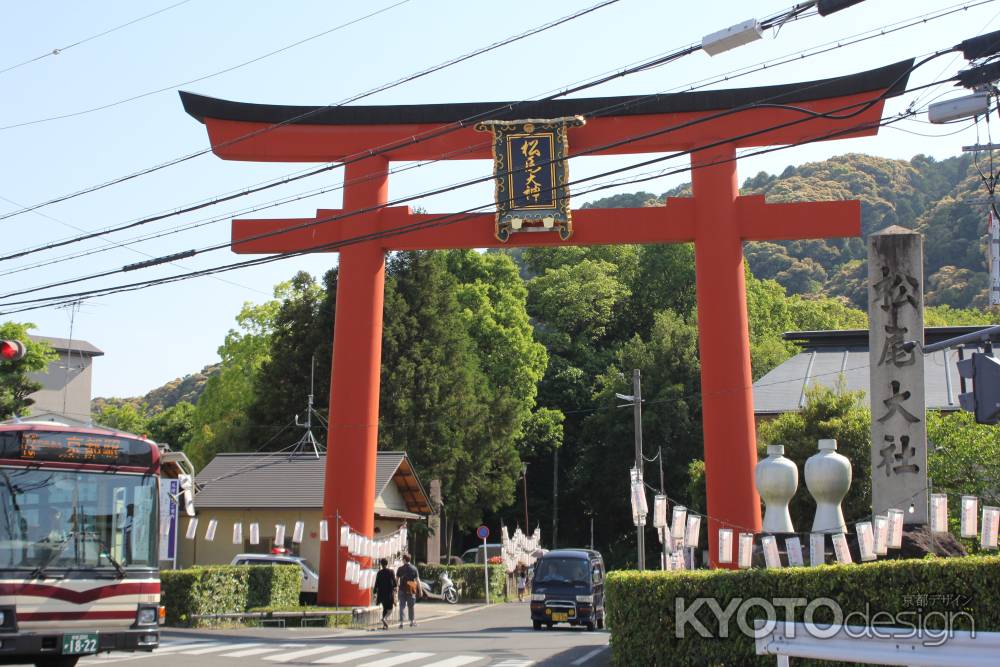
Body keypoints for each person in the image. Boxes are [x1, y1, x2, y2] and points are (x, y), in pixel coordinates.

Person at [395, 554, 421, 628]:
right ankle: (412, 621)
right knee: (411, 606)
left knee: (402, 606)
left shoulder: (400, 569)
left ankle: (401, 623)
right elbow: (417, 580)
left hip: (402, 589)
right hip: (411, 589)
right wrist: (420, 590)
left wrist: (396, 589)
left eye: (402, 559)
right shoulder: (414, 568)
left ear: (404, 560)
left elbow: (396, 580)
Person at [372, 558, 397, 630]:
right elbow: (394, 583)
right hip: (389, 594)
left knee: (385, 608)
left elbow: (376, 584)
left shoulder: (379, 573)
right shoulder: (391, 572)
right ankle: (384, 618)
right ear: (387, 564)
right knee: (390, 609)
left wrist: (375, 593)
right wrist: (395, 588)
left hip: (381, 594)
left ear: (381, 564)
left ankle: (384, 625)